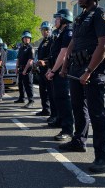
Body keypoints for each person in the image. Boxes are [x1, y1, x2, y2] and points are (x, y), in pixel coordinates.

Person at [59, 0, 105, 173]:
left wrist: (89, 71)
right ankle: (78, 141)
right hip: (76, 69)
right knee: (77, 107)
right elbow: (73, 43)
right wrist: (65, 65)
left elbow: (104, 46)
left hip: (93, 71)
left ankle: (103, 157)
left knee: (97, 113)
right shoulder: (81, 17)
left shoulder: (102, 14)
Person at [45, 9, 74, 141]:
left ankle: (67, 129)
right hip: (57, 71)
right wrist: (50, 68)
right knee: (58, 99)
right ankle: (60, 121)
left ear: (63, 19)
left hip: (63, 73)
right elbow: (55, 54)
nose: (55, 21)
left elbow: (63, 55)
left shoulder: (68, 32)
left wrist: (53, 71)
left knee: (64, 101)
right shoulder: (60, 33)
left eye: (57, 19)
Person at [36, 21, 56, 118]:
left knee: (51, 93)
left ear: (50, 30)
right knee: (43, 91)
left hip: (49, 69)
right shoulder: (43, 42)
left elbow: (53, 56)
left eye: (47, 30)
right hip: (41, 70)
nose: (45, 32)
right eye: (43, 30)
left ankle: (53, 114)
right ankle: (45, 109)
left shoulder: (52, 41)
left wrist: (46, 63)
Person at [15, 31, 34, 108]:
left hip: (27, 70)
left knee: (28, 85)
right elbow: (18, 59)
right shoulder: (21, 48)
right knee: (20, 84)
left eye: (28, 38)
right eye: (25, 38)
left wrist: (25, 70)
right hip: (21, 69)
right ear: (22, 39)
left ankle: (31, 100)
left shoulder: (30, 48)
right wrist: (16, 68)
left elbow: (30, 60)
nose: (27, 39)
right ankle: (21, 98)